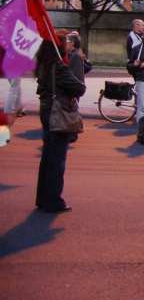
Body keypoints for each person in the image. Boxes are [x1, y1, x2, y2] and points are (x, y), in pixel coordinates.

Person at [35, 33, 86, 213]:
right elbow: (79, 88)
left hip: (46, 109)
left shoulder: (44, 64)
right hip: (58, 111)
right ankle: (53, 200)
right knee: (57, 158)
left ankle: (43, 198)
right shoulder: (59, 67)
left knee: (48, 155)